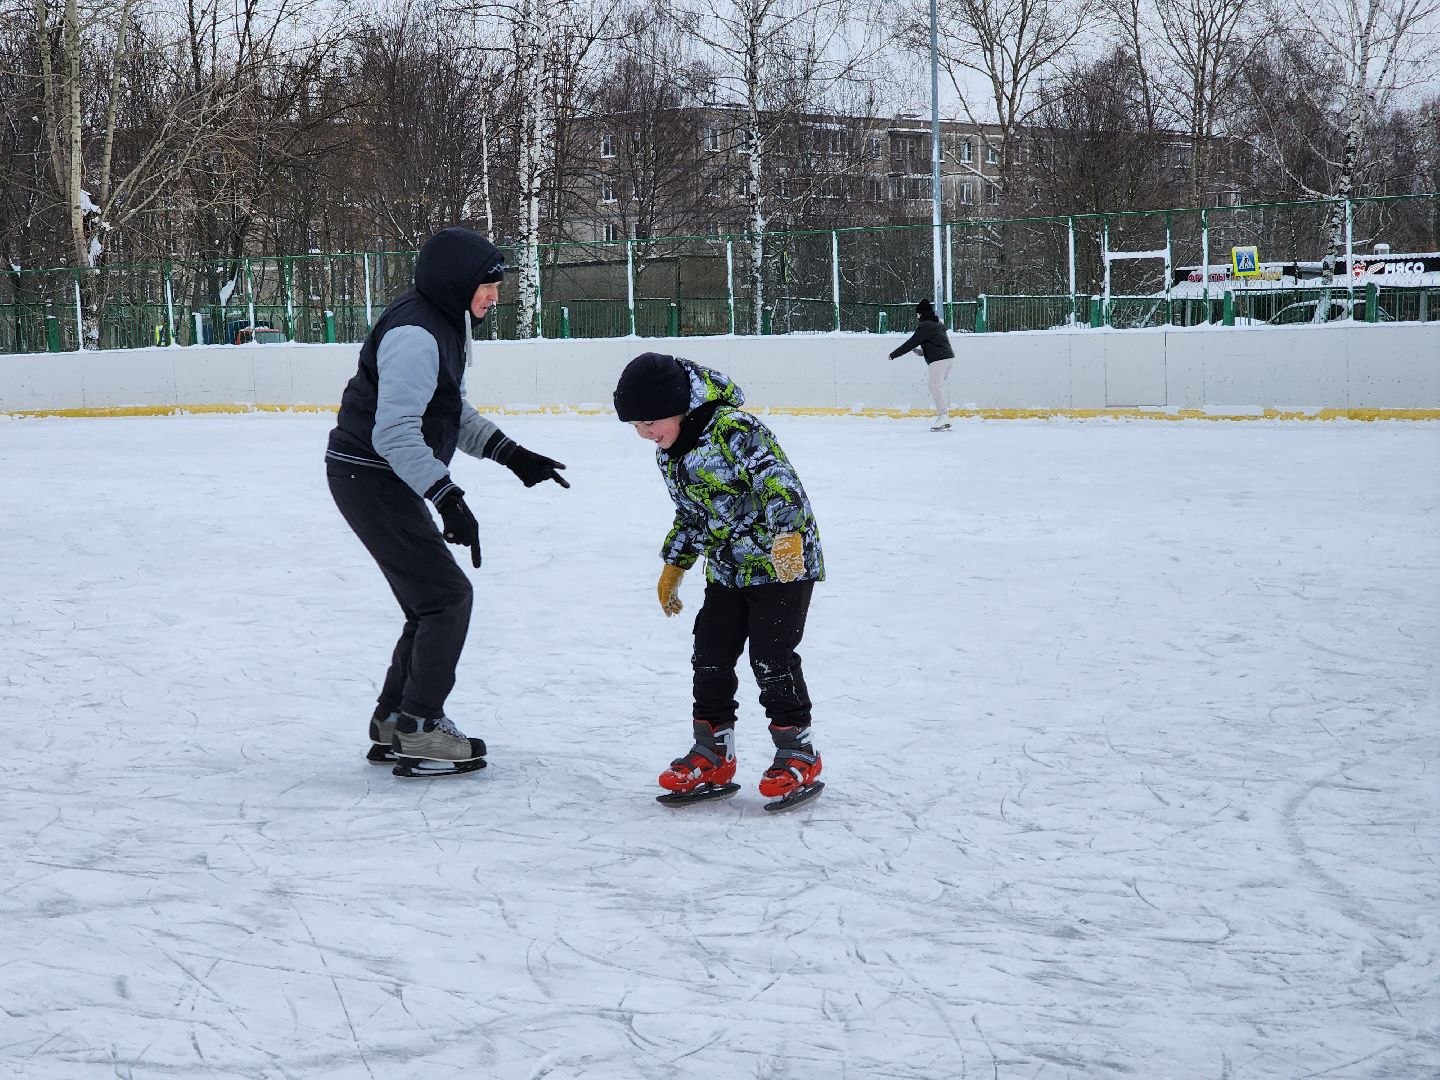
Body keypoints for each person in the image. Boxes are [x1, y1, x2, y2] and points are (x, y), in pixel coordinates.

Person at [326, 226, 570, 778]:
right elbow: (394, 432)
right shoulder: (416, 333)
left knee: (430, 599)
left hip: (376, 477)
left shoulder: (441, 322)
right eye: (487, 284)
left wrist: (512, 455)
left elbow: (448, 412)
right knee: (447, 598)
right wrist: (448, 497)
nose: (494, 296)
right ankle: (420, 725)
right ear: (457, 281)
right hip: (372, 476)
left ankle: (395, 719)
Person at [613, 352, 826, 810]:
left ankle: (798, 752)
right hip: (728, 569)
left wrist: (788, 538)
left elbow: (781, 484)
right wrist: (676, 565)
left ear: (680, 405)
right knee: (709, 654)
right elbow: (692, 514)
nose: (645, 433)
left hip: (780, 565)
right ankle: (714, 753)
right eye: (635, 425)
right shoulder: (671, 453)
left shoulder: (735, 429)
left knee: (772, 657)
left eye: (650, 420)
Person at [885, 298, 956, 431]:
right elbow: (938, 343)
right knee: (936, 386)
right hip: (948, 358)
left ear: (921, 314)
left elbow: (910, 343)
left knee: (934, 386)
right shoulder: (937, 324)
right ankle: (943, 416)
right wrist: (921, 352)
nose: (917, 317)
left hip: (939, 360)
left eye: (918, 314)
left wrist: (893, 355)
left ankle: (943, 416)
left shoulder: (925, 326)